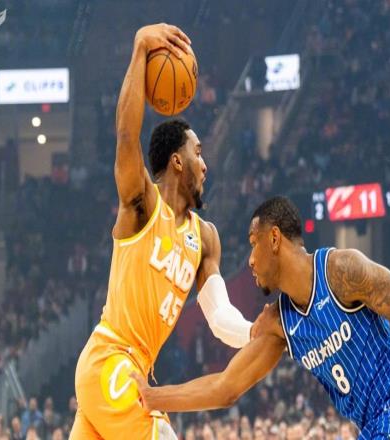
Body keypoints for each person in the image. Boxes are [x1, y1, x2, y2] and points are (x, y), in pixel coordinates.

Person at [133, 196, 390, 439]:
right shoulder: (280, 323)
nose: (249, 260)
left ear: (274, 238)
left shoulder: (341, 271)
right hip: (372, 428)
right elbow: (225, 387)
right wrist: (152, 397)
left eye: (252, 243)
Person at [69, 23, 254, 439]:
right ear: (176, 161)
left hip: (131, 371)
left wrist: (256, 332)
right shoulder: (142, 205)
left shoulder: (206, 238)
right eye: (198, 152)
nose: (205, 164)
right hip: (112, 361)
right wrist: (140, 49)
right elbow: (125, 135)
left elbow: (220, 318)